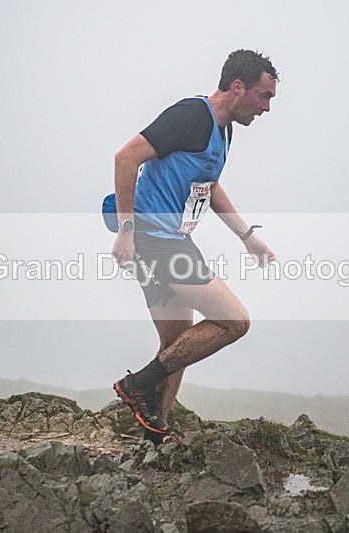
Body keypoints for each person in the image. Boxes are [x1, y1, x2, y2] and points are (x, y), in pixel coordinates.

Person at [111, 49, 279, 443]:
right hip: (154, 239)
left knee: (178, 345)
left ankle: (156, 439)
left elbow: (210, 185)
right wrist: (125, 232)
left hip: (171, 239)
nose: (267, 107)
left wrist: (247, 236)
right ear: (238, 88)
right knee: (235, 321)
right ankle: (139, 385)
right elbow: (126, 158)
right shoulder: (191, 116)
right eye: (263, 95)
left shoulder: (223, 129)